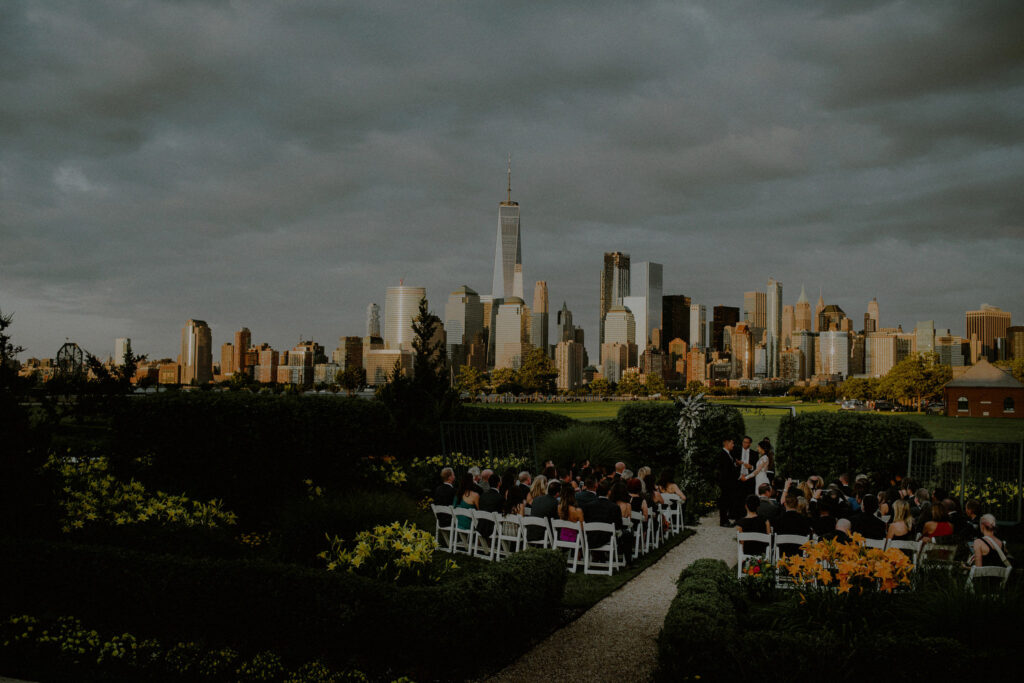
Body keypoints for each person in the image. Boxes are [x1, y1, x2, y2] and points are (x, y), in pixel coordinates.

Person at [775, 492, 812, 557]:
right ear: (797, 504)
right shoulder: (804, 520)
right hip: (799, 554)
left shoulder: (778, 520)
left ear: (785, 504)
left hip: (782, 554)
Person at [717, 438, 738, 527]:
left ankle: (726, 519)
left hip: (728, 483)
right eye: (732, 443)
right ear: (727, 443)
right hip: (726, 483)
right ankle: (723, 521)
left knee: (727, 501)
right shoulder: (723, 454)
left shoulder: (729, 454)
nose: (733, 445)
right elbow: (725, 471)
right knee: (724, 502)